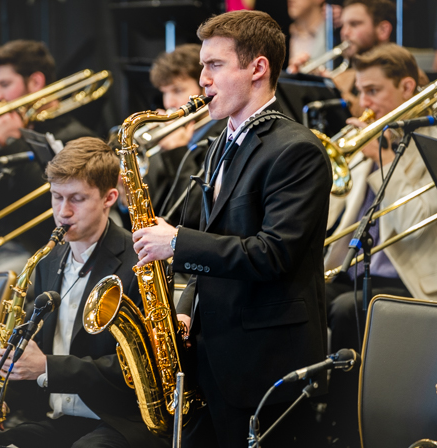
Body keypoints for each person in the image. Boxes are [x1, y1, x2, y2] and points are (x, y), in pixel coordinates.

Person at [131, 10, 332, 447]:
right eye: (203, 66)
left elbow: (273, 254)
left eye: (214, 65)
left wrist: (177, 242)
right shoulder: (220, 142)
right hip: (215, 355)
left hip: (267, 366)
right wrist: (186, 308)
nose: (203, 78)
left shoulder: (297, 150)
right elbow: (216, 242)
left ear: (258, 68)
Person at [0, 137, 168, 448]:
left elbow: (140, 368)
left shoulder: (140, 262)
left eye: (77, 199)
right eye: (56, 197)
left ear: (109, 197)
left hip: (118, 420)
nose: (63, 212)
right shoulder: (46, 259)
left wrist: (47, 367)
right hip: (56, 419)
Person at [324, 43, 437, 447]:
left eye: (372, 90)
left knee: (346, 307)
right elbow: (330, 212)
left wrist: (385, 160)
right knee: (298, 292)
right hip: (352, 267)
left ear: (408, 86)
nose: (363, 102)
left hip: (412, 280)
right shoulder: (371, 137)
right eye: (359, 91)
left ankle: (344, 426)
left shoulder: (430, 139)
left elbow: (413, 224)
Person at [0, 40, 94, 270]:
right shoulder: (4, 135)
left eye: (5, 84)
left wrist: (15, 140)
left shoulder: (76, 137)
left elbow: (48, 208)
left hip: (39, 253)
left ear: (36, 82)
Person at [145, 43, 226, 228]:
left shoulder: (224, 134)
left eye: (178, 90)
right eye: (165, 93)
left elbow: (196, 213)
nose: (169, 103)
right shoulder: (170, 132)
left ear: (205, 86)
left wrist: (177, 151)